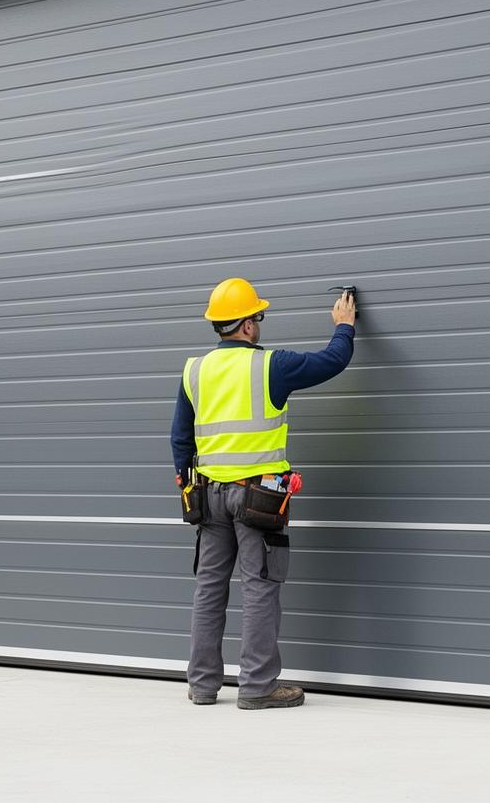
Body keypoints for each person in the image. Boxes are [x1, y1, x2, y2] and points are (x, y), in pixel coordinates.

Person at [172, 277, 356, 709]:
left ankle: (202, 686)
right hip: (259, 498)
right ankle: (257, 687)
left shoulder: (194, 370)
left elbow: (181, 438)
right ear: (248, 325)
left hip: (209, 496)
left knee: (209, 588)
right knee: (259, 587)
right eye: (258, 315)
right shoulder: (272, 365)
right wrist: (344, 325)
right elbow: (332, 361)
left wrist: (186, 484)